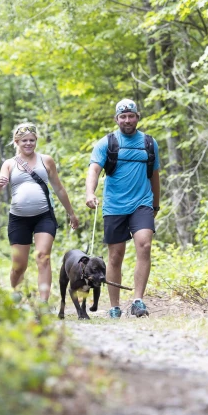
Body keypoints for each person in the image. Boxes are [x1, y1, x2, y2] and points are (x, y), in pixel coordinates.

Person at [85, 99, 161, 318]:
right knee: (116, 256)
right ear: (116, 119)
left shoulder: (149, 142)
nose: (127, 120)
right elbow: (94, 170)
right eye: (123, 117)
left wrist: (155, 204)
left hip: (142, 203)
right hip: (115, 206)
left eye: (131, 116)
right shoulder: (106, 143)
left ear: (138, 117)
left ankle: (138, 301)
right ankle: (115, 306)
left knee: (144, 245)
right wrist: (90, 193)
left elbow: (155, 176)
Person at [0, 122, 79, 304]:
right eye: (24, 140)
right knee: (19, 266)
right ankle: (18, 299)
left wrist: (71, 213)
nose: (28, 143)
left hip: (44, 216)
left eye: (32, 140)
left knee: (43, 257)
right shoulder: (9, 164)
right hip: (18, 219)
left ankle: (43, 304)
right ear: (17, 141)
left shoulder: (46, 160)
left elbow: (59, 188)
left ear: (36, 140)